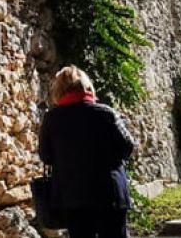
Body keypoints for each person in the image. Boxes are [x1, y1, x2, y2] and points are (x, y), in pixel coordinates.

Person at [38, 67, 136, 238]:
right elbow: (127, 146)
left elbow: (45, 156)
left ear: (58, 90)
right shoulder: (105, 113)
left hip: (72, 197)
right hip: (109, 194)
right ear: (87, 87)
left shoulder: (51, 118)